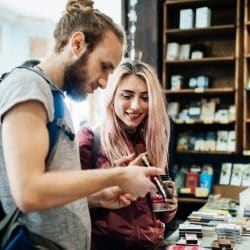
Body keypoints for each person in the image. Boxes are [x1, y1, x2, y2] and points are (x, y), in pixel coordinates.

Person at [0, 1, 161, 249]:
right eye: (104, 66)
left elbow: (50, 195)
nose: (106, 83)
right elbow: (29, 192)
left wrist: (97, 196)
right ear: (77, 44)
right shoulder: (28, 86)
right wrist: (115, 175)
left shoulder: (54, 96)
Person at [77, 59, 178, 250]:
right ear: (112, 96)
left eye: (145, 98)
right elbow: (67, 202)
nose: (135, 106)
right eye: (127, 95)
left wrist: (170, 204)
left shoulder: (153, 142)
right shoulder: (90, 139)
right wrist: (106, 188)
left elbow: (162, 215)